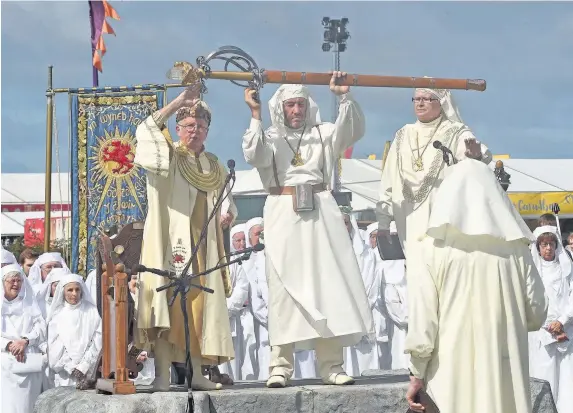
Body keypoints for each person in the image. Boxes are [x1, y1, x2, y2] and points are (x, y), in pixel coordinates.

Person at [242, 72, 374, 388]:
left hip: (321, 211)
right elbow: (253, 153)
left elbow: (352, 130)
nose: (296, 111)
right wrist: (255, 114)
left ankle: (331, 365)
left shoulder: (323, 133)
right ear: (281, 108)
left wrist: (344, 96)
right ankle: (280, 367)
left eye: (300, 104)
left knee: (327, 286)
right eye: (290, 105)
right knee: (283, 290)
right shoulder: (271, 137)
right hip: (282, 212)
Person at [404, 159, 547, 413]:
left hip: (452, 377)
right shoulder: (517, 249)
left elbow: (423, 322)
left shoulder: (432, 248)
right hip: (505, 372)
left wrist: (417, 373)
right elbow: (536, 312)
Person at [134, 85, 236, 391]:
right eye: (189, 126)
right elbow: (147, 129)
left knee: (198, 310)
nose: (195, 131)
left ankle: (196, 373)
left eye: (201, 126)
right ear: (178, 129)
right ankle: (162, 375)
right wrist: (180, 100)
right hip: (171, 243)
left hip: (205, 245)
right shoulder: (168, 155)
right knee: (169, 306)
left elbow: (223, 197)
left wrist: (229, 213)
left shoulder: (213, 165)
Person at [375, 86, 493, 263]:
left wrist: (474, 155)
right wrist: (383, 223)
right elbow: (388, 180)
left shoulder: (454, 130)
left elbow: (481, 154)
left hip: (442, 218)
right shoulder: (403, 134)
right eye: (416, 99)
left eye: (427, 98)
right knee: (417, 272)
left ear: (441, 102)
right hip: (408, 218)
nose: (420, 103)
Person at [528, 225, 573, 413]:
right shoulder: (533, 272)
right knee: (544, 376)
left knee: (566, 378)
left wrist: (562, 321)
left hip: (565, 330)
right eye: (544, 244)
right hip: (541, 333)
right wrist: (547, 326)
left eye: (551, 244)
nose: (548, 248)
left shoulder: (566, 270)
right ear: (538, 247)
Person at [1, 264, 46, 413]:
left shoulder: (29, 303)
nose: (16, 284)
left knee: (27, 405)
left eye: (19, 280)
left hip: (28, 363)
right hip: (4, 366)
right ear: (3, 282)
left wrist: (25, 340)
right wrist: (9, 344)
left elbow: (40, 328)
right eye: (12, 281)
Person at [47, 273, 102, 388]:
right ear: (63, 291)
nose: (74, 294)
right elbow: (55, 347)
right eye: (70, 290)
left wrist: (84, 366)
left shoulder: (92, 311)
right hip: (65, 376)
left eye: (77, 289)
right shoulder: (57, 315)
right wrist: (71, 368)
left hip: (89, 374)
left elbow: (98, 341)